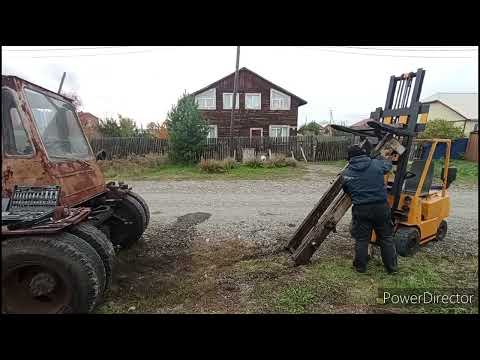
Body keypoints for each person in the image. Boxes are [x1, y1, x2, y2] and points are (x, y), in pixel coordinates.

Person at [342, 144, 398, 274]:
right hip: (381, 208)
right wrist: (386, 157)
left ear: (349, 158)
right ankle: (392, 269)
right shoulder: (376, 164)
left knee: (362, 239)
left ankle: (360, 267)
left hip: (361, 209)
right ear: (364, 154)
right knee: (386, 238)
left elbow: (347, 191)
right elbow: (388, 167)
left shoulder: (346, 173)